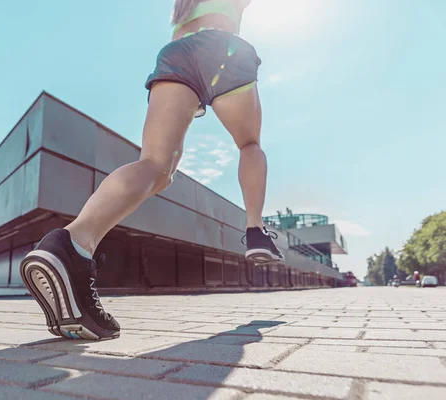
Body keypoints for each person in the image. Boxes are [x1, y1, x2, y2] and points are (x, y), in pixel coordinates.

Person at [20, 0, 283, 341]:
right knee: (250, 145)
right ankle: (256, 231)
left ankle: (70, 244)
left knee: (155, 166)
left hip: (176, 54)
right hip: (223, 47)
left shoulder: (182, 7)